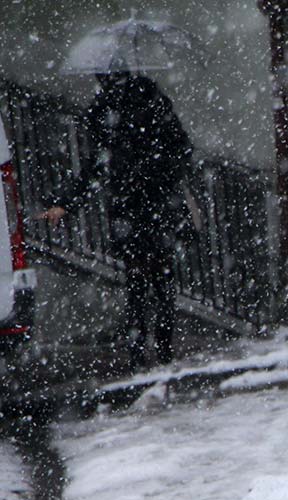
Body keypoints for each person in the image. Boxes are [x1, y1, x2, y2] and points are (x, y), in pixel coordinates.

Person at [37, 71, 193, 368]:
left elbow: (95, 168)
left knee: (136, 283)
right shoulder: (155, 104)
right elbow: (183, 150)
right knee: (162, 281)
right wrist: (163, 174)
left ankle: (138, 352)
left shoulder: (104, 112)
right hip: (158, 204)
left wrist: (65, 203)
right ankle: (163, 349)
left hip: (129, 208)